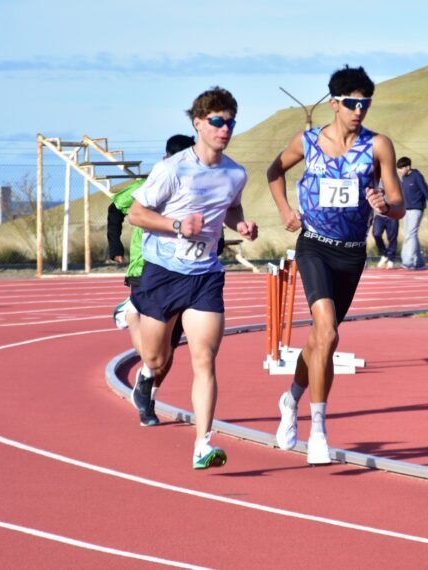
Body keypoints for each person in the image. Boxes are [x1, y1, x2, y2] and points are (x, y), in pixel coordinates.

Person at [267, 65, 404, 465]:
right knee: (327, 331)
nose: (358, 110)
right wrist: (285, 210)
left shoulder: (378, 145)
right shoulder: (308, 141)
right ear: (334, 104)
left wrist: (385, 206)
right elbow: (274, 171)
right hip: (314, 245)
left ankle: (290, 399)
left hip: (351, 253)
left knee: (320, 341)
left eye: (365, 104)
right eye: (350, 103)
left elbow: (399, 204)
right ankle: (318, 432)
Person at [127, 86, 258, 469]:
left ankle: (202, 444)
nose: (224, 129)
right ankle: (133, 313)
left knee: (205, 359)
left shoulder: (235, 173)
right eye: (217, 121)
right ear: (198, 123)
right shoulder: (172, 169)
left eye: (230, 122)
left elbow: (231, 208)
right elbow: (136, 214)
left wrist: (242, 224)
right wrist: (178, 225)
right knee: (156, 358)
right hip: (163, 273)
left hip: (205, 276)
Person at [111, 134, 196, 428]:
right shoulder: (147, 184)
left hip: (183, 271)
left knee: (168, 349)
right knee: (153, 348)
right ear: (166, 159)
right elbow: (115, 208)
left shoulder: (197, 187)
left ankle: (148, 393)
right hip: (145, 269)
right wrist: (114, 244)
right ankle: (129, 311)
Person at [397, 156, 428, 270]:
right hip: (406, 210)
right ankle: (420, 262)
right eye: (398, 169)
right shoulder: (404, 178)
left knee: (411, 234)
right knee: (409, 235)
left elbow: (426, 190)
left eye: (401, 168)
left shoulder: (417, 176)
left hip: (416, 209)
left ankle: (408, 261)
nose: (399, 171)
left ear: (408, 167)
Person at [371, 184, 398, 269]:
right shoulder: (375, 180)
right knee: (376, 234)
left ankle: (391, 259)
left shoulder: (393, 180)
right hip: (379, 215)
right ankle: (384, 254)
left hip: (392, 214)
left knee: (392, 238)